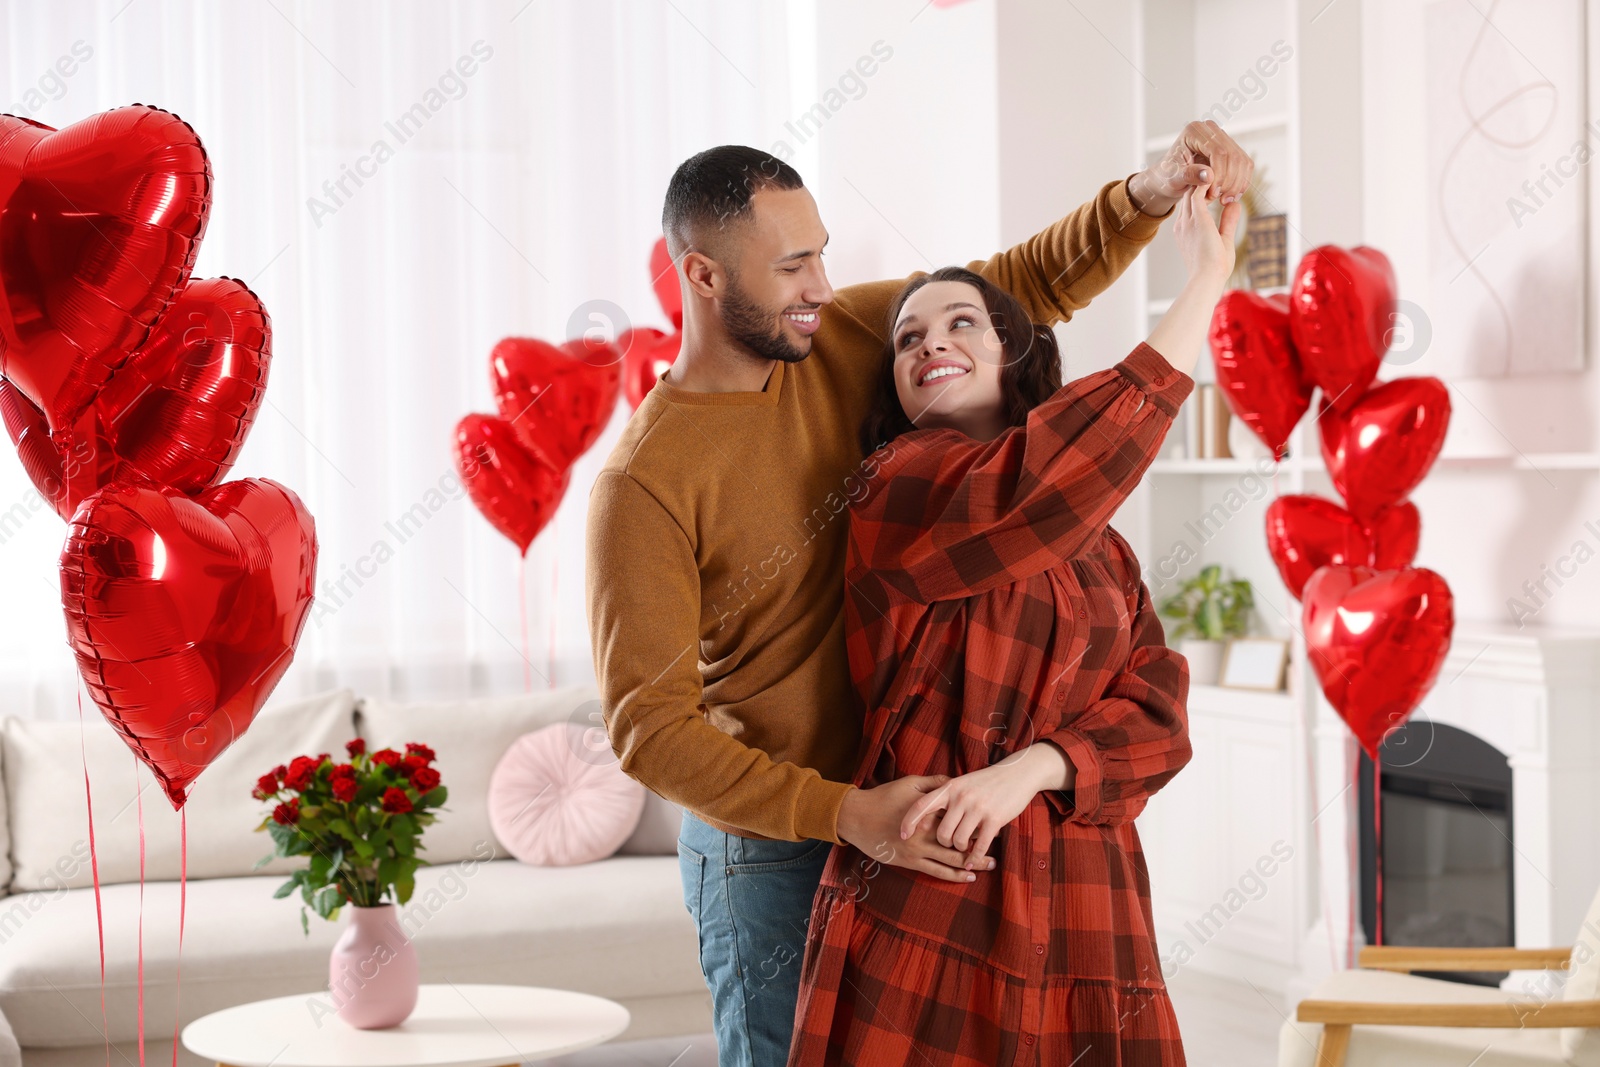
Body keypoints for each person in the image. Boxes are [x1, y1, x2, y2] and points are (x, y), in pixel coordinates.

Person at [585, 128, 1252, 1067]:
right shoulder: (646, 481)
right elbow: (649, 728)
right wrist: (843, 813)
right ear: (701, 276)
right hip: (779, 843)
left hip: (921, 807)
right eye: (793, 265)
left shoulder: (840, 333)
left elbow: (1021, 288)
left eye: (821, 250)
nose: (822, 284)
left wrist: (1147, 191)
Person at [782, 182, 1238, 1066]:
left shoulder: (1102, 547)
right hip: (940, 895)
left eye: (962, 324)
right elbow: (1041, 484)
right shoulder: (899, 485)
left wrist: (1033, 768)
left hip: (1089, 910)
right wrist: (1204, 284)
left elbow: (1161, 716)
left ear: (1012, 353)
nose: (930, 344)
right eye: (908, 338)